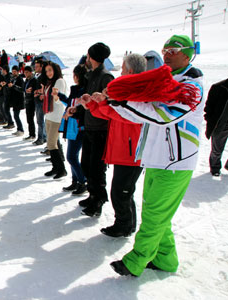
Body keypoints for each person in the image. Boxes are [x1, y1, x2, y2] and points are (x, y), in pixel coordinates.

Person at [105, 35, 204, 277]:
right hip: (156, 158)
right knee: (159, 214)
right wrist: (116, 103)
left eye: (174, 49)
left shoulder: (192, 85)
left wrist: (125, 101)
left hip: (176, 162)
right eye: (165, 49)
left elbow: (165, 115)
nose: (167, 53)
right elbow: (142, 114)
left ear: (188, 53)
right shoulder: (165, 81)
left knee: (154, 214)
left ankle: (136, 260)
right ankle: (165, 260)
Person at [85, 53, 146, 237]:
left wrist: (103, 103)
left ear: (130, 70)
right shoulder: (127, 90)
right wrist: (94, 105)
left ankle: (124, 225)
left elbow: (124, 115)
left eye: (122, 68)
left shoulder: (139, 92)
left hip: (131, 151)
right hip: (122, 149)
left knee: (121, 192)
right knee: (123, 190)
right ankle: (128, 224)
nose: (120, 71)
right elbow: (110, 114)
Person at [79, 42, 114, 217]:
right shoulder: (92, 75)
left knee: (96, 168)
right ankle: (92, 194)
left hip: (101, 129)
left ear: (91, 56)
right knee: (86, 164)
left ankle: (98, 200)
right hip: (90, 126)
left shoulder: (106, 77)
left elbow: (108, 103)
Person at [58, 64, 88, 194]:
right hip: (71, 126)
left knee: (71, 156)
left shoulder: (85, 92)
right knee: (72, 155)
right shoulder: (75, 89)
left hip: (79, 127)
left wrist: (72, 111)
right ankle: (75, 181)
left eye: (75, 75)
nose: (74, 77)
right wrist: (59, 95)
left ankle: (83, 181)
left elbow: (78, 109)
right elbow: (69, 103)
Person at [42, 61, 68, 179]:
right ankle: (55, 167)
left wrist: (56, 97)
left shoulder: (59, 81)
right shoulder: (50, 82)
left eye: (50, 70)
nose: (48, 73)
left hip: (56, 116)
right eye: (46, 71)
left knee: (51, 143)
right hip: (49, 116)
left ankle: (61, 169)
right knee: (53, 143)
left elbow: (60, 100)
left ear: (55, 70)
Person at [204, 78, 228, 176]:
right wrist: (210, 120)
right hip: (221, 124)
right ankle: (215, 167)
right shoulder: (219, 87)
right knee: (217, 150)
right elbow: (208, 107)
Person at [8, 65, 25, 136]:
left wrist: (13, 86)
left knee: (16, 115)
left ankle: (21, 129)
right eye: (13, 71)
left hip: (19, 100)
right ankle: (19, 129)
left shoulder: (20, 79)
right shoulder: (13, 78)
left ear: (18, 72)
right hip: (14, 100)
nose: (13, 73)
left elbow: (21, 89)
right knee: (15, 115)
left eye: (15, 71)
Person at [33, 59, 47, 145]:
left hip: (41, 101)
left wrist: (38, 92)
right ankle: (43, 137)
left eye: (37, 66)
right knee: (40, 120)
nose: (35, 68)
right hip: (37, 100)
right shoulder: (37, 76)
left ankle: (41, 138)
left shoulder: (44, 77)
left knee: (40, 120)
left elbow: (44, 89)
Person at [22, 66, 37, 140]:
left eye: (27, 72)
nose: (25, 74)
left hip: (32, 101)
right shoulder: (26, 80)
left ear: (31, 72)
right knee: (28, 119)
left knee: (31, 118)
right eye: (25, 72)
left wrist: (31, 91)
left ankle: (33, 134)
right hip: (27, 100)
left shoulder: (34, 80)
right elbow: (23, 88)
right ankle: (31, 133)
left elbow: (36, 89)